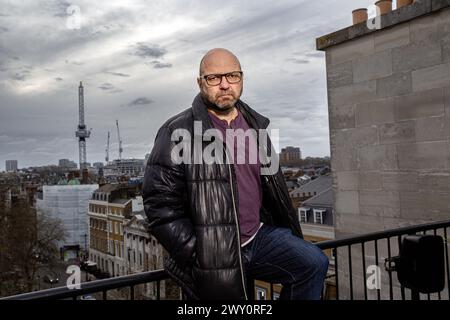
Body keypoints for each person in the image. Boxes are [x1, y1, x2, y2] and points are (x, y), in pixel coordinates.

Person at [143, 48, 329, 300]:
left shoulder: (255, 125)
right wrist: (198, 253)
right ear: (200, 83)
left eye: (232, 76)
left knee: (313, 263)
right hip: (212, 251)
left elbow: (269, 188)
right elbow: (159, 207)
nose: (224, 85)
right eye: (213, 78)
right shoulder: (176, 131)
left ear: (241, 79)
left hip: (258, 238)